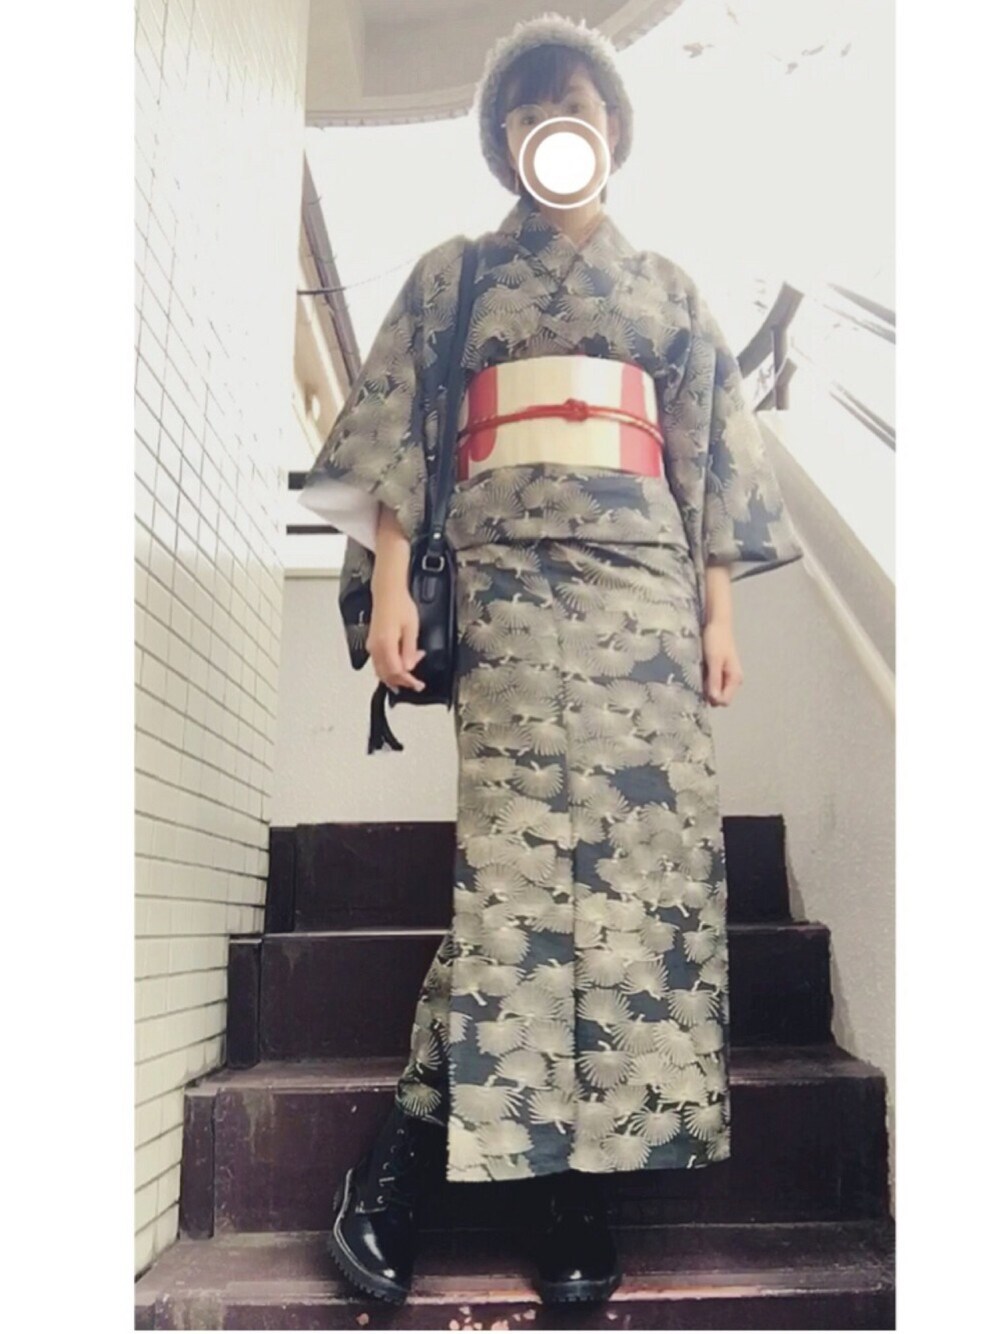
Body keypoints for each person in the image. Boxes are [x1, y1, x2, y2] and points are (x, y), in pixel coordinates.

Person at [300, 10, 804, 1309]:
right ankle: (399, 1168)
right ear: (504, 143)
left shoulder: (668, 290)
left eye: (571, 105)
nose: (551, 127)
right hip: (509, 588)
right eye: (526, 114)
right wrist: (395, 588)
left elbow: (709, 457)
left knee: (644, 882)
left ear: (612, 130)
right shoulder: (457, 275)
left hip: (644, 598)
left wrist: (719, 615)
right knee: (516, 879)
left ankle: (579, 1182)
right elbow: (405, 434)